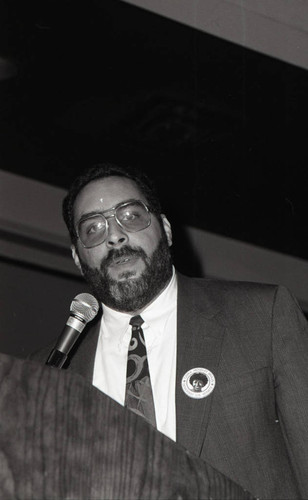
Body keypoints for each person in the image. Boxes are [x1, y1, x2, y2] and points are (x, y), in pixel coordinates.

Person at [32, 162, 308, 499]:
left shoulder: (261, 318)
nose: (115, 236)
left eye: (131, 216)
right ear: (77, 257)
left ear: (165, 229)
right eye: (93, 229)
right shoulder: (47, 375)